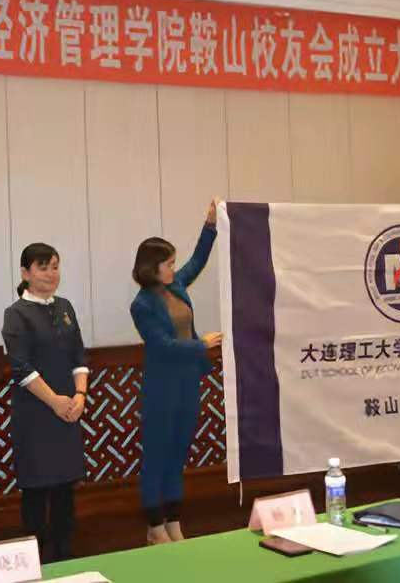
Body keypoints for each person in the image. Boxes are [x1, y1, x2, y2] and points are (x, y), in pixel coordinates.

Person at [130, 199, 223, 546]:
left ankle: (173, 521)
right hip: (161, 386)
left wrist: (210, 226)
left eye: (172, 262)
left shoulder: (177, 285)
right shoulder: (141, 304)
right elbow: (162, 345)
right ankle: (154, 526)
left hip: (187, 382)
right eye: (168, 263)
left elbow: (198, 260)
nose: (174, 267)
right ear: (152, 267)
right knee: (157, 456)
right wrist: (202, 344)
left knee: (178, 455)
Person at [1, 243, 89, 563]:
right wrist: (54, 401)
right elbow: (21, 368)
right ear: (25, 273)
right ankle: (35, 564)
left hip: (68, 410)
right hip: (36, 414)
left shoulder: (65, 307)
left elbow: (79, 356)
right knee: (36, 493)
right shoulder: (16, 314)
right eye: (43, 267)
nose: (51, 274)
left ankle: (66, 560)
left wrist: (79, 396)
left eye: (55, 266)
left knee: (65, 491)